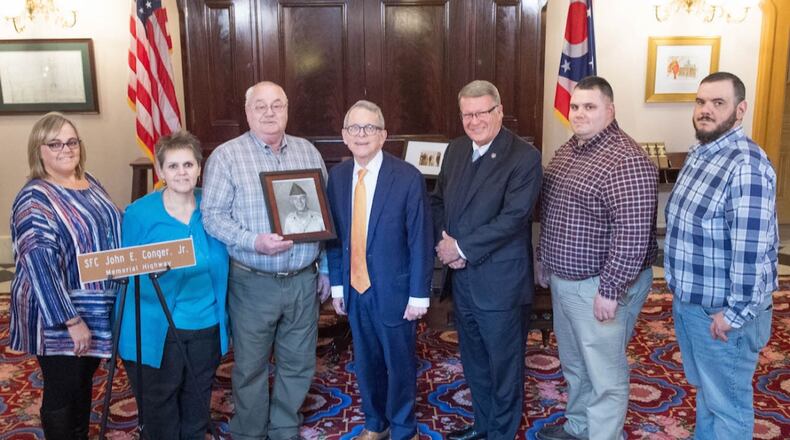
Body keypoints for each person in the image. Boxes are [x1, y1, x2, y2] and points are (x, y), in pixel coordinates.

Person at [201, 80, 331, 440]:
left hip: (304, 279)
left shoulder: (308, 153)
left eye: (277, 105)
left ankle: (285, 426)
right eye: (261, 106)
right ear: (248, 112)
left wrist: (326, 269)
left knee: (299, 361)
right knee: (250, 367)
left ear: (287, 110)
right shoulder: (227, 156)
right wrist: (254, 241)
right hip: (253, 281)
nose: (269, 113)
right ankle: (250, 432)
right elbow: (212, 216)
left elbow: (325, 217)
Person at [535, 76, 658, 440]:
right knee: (575, 365)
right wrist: (544, 257)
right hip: (565, 280)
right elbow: (554, 211)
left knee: (605, 374)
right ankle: (579, 427)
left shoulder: (627, 160)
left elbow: (632, 234)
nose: (579, 113)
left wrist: (610, 289)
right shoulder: (572, 149)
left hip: (599, 287)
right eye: (575, 106)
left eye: (589, 107)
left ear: (610, 110)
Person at [664, 71, 777, 439]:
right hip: (694, 305)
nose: (705, 111)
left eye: (718, 103)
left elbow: (752, 252)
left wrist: (734, 314)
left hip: (723, 316)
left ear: (740, 110)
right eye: (700, 102)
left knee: (728, 404)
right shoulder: (701, 153)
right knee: (710, 397)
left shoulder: (746, 165)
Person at [430, 80, 542, 440]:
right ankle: (483, 426)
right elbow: (437, 202)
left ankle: (501, 434)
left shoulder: (523, 157)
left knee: (504, 369)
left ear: (499, 112)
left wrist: (461, 249)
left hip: (500, 285)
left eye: (481, 113)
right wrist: (444, 243)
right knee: (475, 363)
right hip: (462, 282)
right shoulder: (457, 149)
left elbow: (513, 218)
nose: (474, 120)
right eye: (467, 114)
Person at [10, 112, 122, 439]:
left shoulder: (89, 180)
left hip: (93, 304)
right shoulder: (35, 198)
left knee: (83, 380)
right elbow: (40, 264)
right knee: (63, 387)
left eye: (71, 141)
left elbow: (109, 228)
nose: (65, 149)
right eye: (55, 143)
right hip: (57, 314)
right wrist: (71, 321)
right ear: (38, 150)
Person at [326, 101, 433, 440]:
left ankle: (403, 428)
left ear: (383, 135)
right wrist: (339, 289)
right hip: (356, 290)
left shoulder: (407, 177)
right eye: (354, 128)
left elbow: (420, 240)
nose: (362, 135)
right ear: (344, 136)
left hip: (396, 292)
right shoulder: (338, 177)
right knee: (367, 363)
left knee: (400, 364)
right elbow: (336, 236)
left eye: (370, 128)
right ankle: (376, 424)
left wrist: (419, 294)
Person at [116, 130, 230, 439]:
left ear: (199, 167)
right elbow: (126, 275)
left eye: (189, 165)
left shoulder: (213, 205)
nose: (182, 173)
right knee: (159, 410)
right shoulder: (140, 213)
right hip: (158, 328)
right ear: (161, 171)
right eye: (174, 166)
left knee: (196, 406)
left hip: (206, 324)